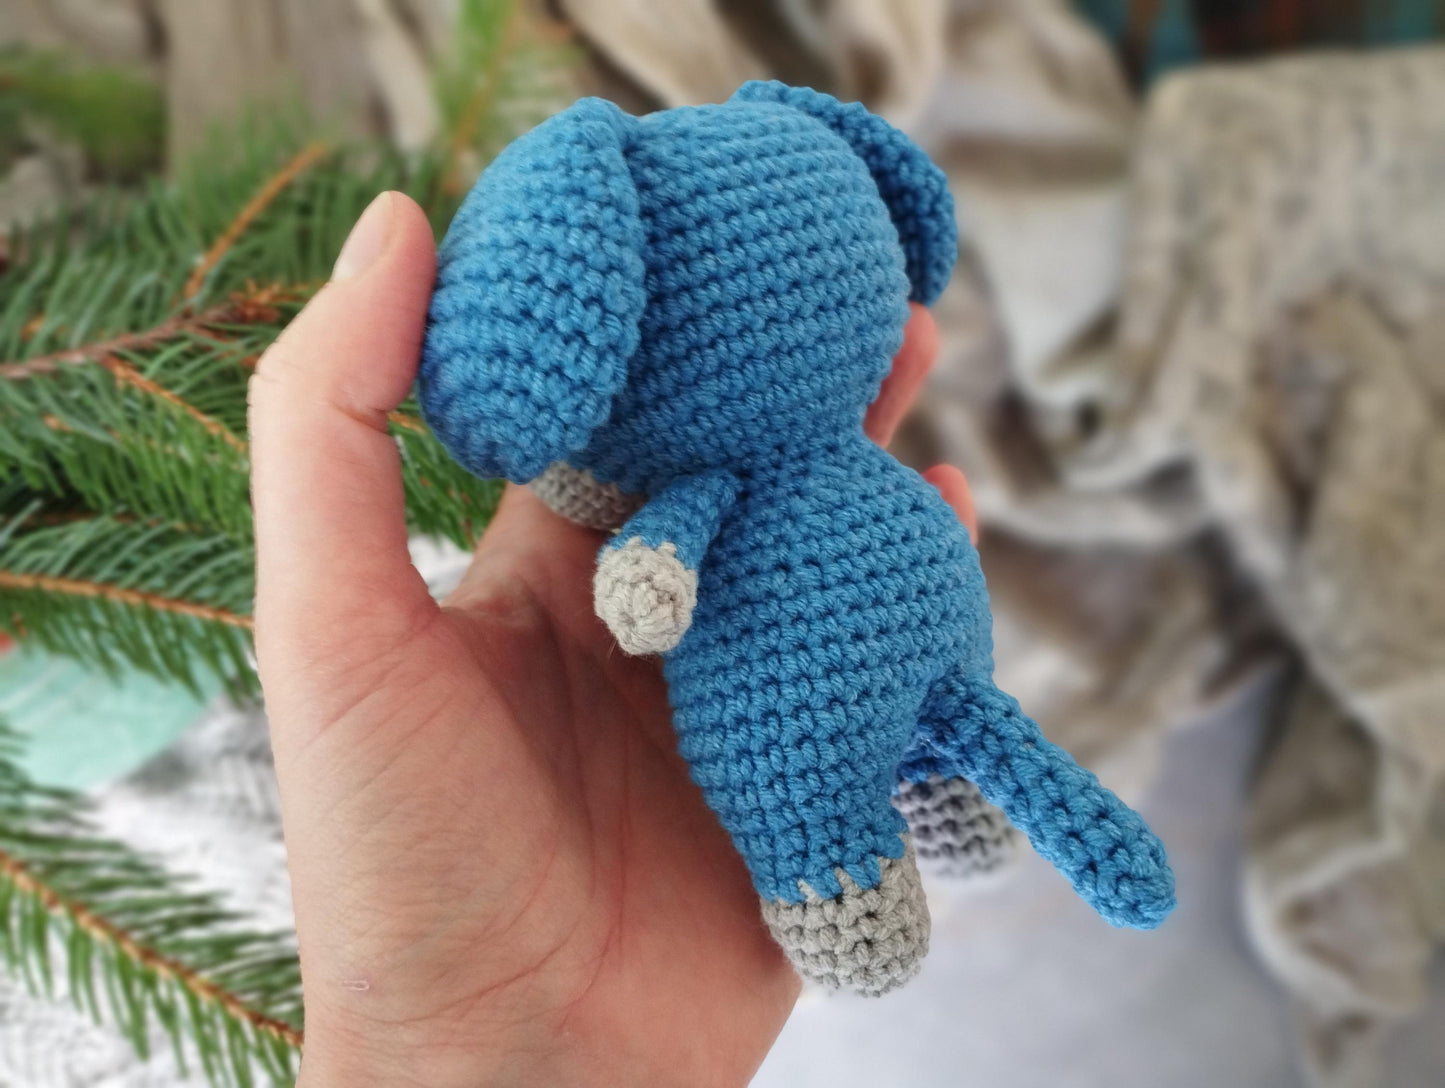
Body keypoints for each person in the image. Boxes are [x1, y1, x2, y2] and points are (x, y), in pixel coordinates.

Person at [249, 191, 977, 1086]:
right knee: (824, 768)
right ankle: (896, 830)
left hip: (865, 601)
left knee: (867, 742)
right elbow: (653, 568)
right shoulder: (710, 486)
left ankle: (939, 793)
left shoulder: (717, 470)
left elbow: (651, 567)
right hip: (857, 600)